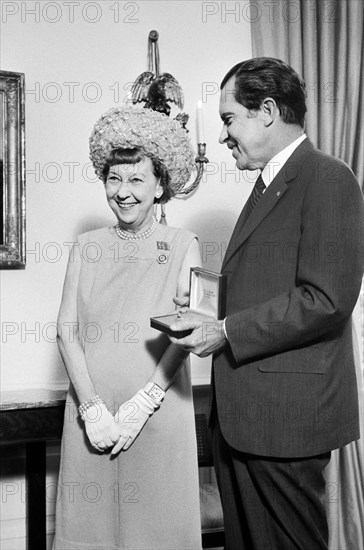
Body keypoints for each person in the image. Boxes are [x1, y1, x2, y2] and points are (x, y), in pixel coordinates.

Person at [169, 57, 364, 549]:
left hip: (286, 421)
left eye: (229, 118)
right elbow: (268, 287)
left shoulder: (328, 179)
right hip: (244, 420)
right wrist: (204, 307)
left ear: (269, 111)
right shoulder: (267, 184)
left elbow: (325, 299)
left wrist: (226, 331)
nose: (222, 136)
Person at [53, 106, 202, 550]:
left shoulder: (183, 245)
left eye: (136, 179)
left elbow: (188, 331)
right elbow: (66, 330)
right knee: (90, 534)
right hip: (90, 417)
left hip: (159, 414)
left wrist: (146, 400)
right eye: (114, 179)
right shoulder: (87, 246)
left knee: (157, 533)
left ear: (160, 187)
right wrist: (91, 409)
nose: (123, 192)